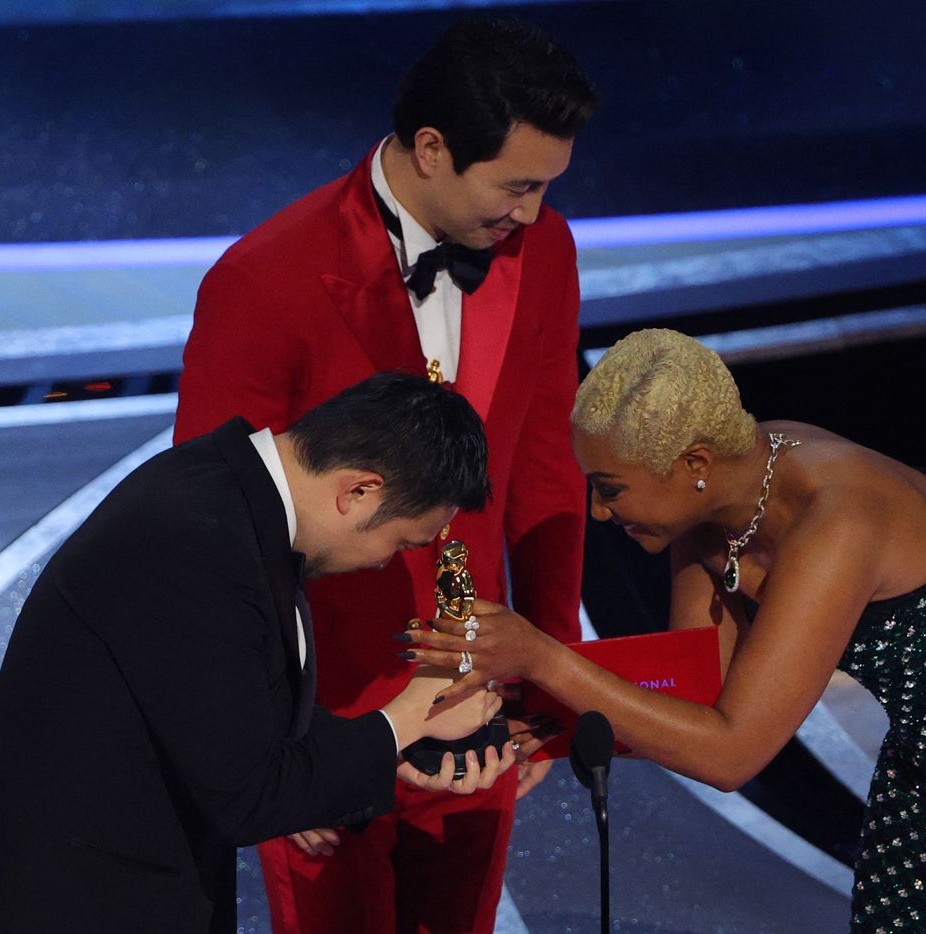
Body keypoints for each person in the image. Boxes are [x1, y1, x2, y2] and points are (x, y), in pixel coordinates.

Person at [408, 329, 926, 932]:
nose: (600, 513)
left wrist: (544, 656)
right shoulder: (714, 512)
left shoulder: (839, 520)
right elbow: (691, 691)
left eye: (610, 488)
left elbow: (733, 751)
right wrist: (553, 718)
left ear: (693, 463)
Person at [173, 14, 597, 933]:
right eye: (517, 185)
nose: (531, 212)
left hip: (480, 696)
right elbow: (209, 531)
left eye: (547, 187)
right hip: (326, 720)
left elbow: (547, 473)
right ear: (433, 148)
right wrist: (271, 750)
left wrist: (550, 673)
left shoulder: (546, 250)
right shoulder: (267, 277)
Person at [0, 372, 513, 934]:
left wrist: (390, 749)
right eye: (400, 541)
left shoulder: (222, 499)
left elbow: (225, 718)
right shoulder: (197, 535)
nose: (386, 562)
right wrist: (410, 712)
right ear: (358, 490)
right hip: (64, 906)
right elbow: (247, 790)